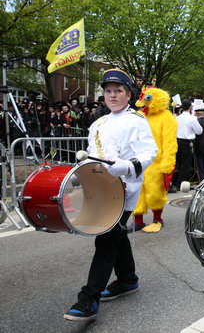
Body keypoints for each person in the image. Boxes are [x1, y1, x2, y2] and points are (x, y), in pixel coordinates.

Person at [63, 69, 157, 322]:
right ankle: (127, 280)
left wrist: (125, 166)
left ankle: (88, 299)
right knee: (115, 235)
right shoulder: (98, 123)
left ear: (128, 94)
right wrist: (74, 177)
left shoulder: (137, 120)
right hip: (99, 190)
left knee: (105, 239)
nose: (112, 95)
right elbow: (90, 156)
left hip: (124, 190)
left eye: (118, 91)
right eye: (108, 91)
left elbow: (150, 152)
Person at [131, 87, 178, 233]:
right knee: (137, 191)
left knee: (155, 192)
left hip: (156, 162)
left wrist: (167, 162)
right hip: (138, 160)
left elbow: (169, 142)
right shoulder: (139, 116)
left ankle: (157, 219)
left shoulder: (166, 117)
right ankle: (137, 221)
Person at [174, 100, 202, 191]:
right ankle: (180, 184)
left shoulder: (177, 118)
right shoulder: (192, 118)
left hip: (177, 141)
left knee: (178, 163)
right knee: (185, 164)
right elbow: (199, 131)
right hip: (186, 142)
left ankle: (175, 182)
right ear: (190, 107)